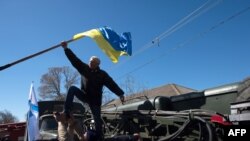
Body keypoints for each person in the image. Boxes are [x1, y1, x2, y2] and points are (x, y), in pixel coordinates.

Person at [60, 41, 125, 140]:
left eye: (93, 62)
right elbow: (75, 60)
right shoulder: (84, 68)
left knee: (97, 119)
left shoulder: (102, 74)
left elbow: (111, 84)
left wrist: (120, 93)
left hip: (95, 100)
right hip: (85, 95)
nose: (90, 62)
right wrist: (66, 49)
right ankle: (67, 111)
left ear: (97, 64)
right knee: (72, 89)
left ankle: (99, 137)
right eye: (90, 61)